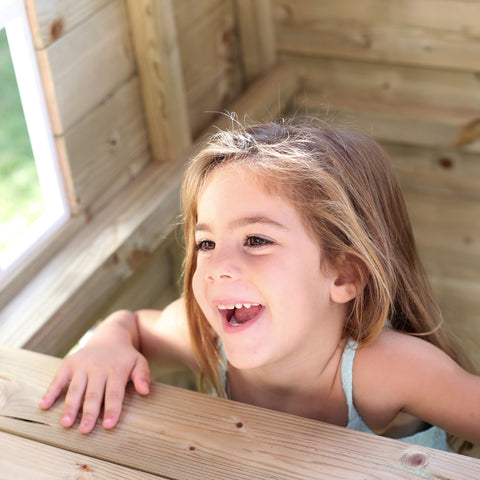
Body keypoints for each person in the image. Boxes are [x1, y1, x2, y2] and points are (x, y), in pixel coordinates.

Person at [40, 117, 480, 451]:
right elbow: (132, 324)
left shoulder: (390, 369)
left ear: (343, 275)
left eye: (256, 239)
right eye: (207, 242)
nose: (217, 266)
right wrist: (106, 343)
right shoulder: (204, 340)